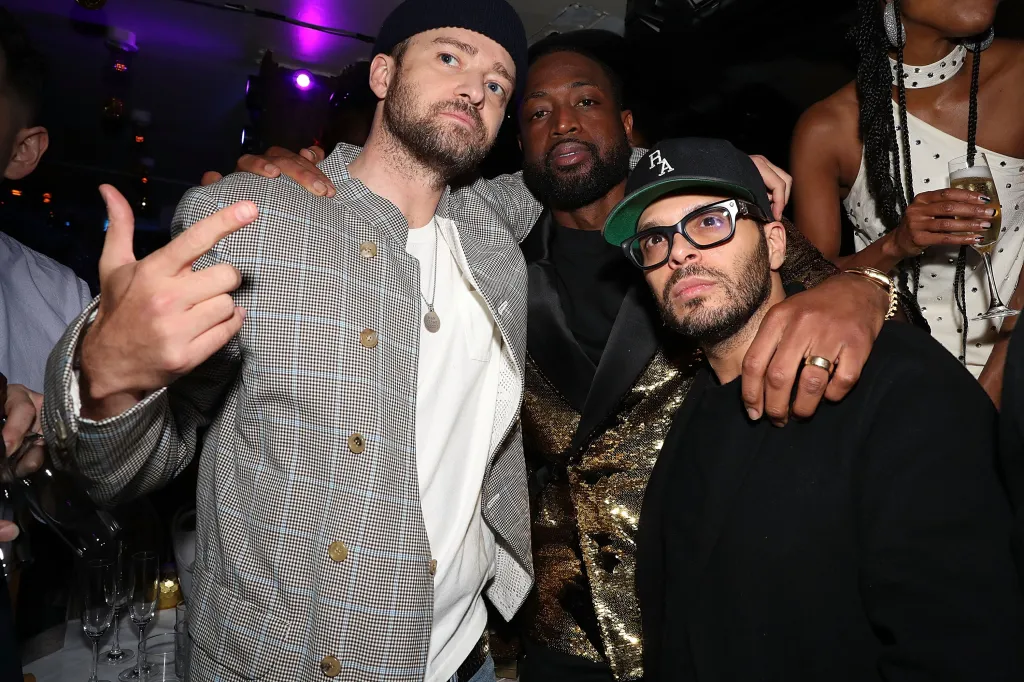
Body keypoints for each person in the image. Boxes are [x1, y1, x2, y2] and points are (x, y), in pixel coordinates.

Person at [228, 33, 902, 682]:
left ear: (630, 124)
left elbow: (842, 311)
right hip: (561, 639)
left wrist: (866, 289)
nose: (564, 122)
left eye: (586, 101)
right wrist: (301, 176)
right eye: (539, 112)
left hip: (717, 606)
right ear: (519, 142)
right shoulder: (487, 264)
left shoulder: (704, 244)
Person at [611, 138, 1024, 681]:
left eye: (710, 222)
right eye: (653, 240)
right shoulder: (693, 412)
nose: (680, 252)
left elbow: (964, 644)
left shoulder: (900, 388)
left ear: (776, 243)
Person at [790, 0, 1024, 393]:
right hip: (908, 380)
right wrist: (895, 245)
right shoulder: (827, 128)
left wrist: (1001, 374)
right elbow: (811, 284)